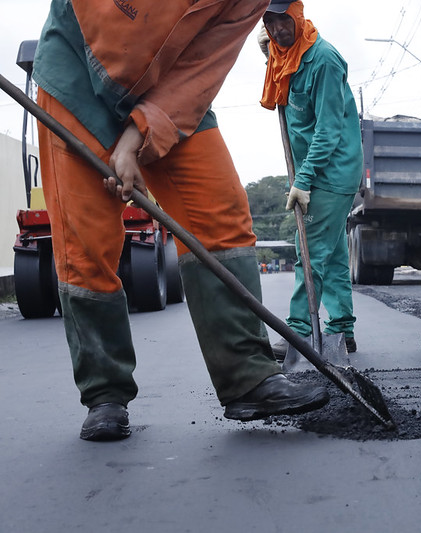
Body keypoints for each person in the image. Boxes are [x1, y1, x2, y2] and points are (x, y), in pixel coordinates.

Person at [32, 0, 329, 442]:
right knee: (85, 244)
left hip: (171, 88)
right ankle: (105, 393)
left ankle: (248, 378)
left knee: (220, 215)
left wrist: (138, 134)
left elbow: (204, 64)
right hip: (76, 71)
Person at [258, 0, 363, 356]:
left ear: (298, 16)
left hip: (331, 171)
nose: (277, 30)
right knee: (331, 253)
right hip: (315, 171)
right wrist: (270, 56)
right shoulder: (282, 57)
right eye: (269, 23)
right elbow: (281, 79)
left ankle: (299, 332)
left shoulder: (324, 60)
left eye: (283, 21)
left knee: (310, 251)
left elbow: (329, 130)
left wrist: (303, 180)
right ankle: (342, 329)